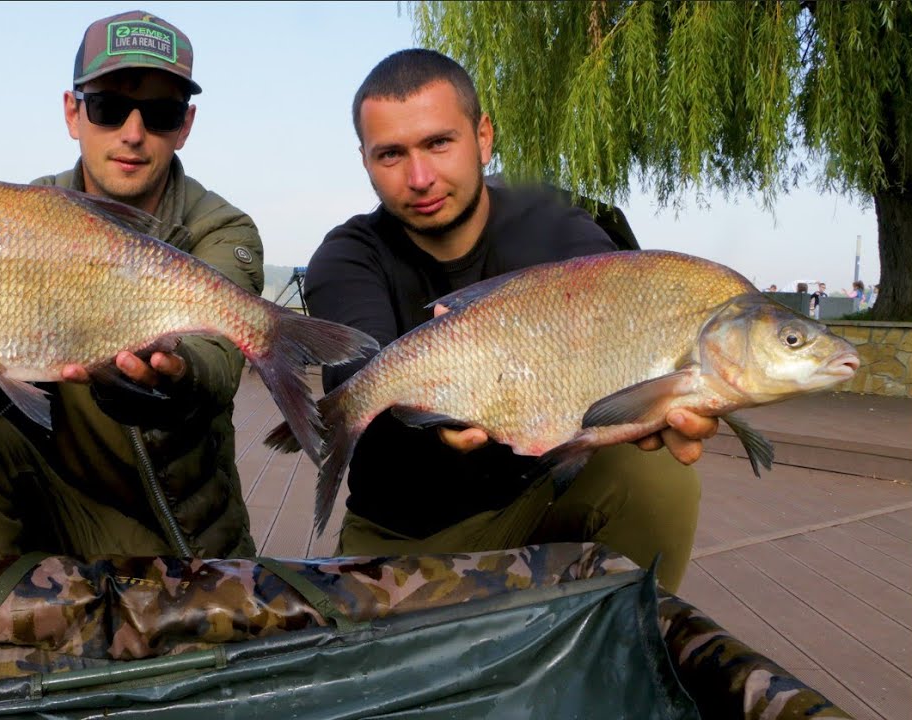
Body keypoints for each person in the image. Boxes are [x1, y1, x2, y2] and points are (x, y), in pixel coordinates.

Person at [0, 10, 264, 560]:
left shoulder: (220, 229)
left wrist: (172, 375)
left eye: (159, 113)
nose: (133, 134)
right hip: (56, 502)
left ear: (185, 125)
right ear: (74, 112)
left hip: (175, 529)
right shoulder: (20, 218)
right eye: (109, 108)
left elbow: (217, 365)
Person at [302, 49, 718, 592]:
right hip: (400, 530)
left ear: (483, 137)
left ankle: (616, 649)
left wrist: (661, 397)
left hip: (535, 502)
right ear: (365, 161)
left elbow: (625, 305)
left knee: (659, 475)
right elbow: (357, 371)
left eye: (438, 143)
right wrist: (440, 411)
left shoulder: (556, 224)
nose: (420, 177)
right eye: (391, 155)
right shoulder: (348, 254)